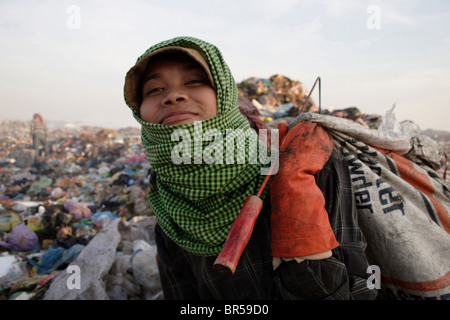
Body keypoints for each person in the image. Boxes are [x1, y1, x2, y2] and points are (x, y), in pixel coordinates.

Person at [123, 36, 377, 300]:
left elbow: (361, 285)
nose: (173, 96)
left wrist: (306, 258)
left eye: (193, 82)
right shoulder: (166, 197)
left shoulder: (304, 164)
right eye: (154, 90)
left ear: (224, 93)